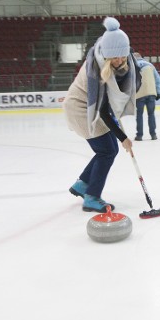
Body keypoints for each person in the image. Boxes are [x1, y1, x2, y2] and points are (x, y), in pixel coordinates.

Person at [63, 17, 138, 212]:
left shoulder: (118, 59)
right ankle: (92, 196)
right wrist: (123, 138)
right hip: (81, 109)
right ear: (105, 55)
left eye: (122, 56)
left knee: (107, 149)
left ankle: (82, 184)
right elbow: (102, 110)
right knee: (106, 151)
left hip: (90, 107)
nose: (119, 60)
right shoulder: (96, 71)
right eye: (114, 57)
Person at [134, 53, 160, 141]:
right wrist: (158, 92)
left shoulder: (133, 66)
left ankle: (139, 135)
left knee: (139, 115)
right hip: (151, 93)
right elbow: (157, 79)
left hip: (139, 94)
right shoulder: (150, 65)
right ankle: (153, 134)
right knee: (151, 114)